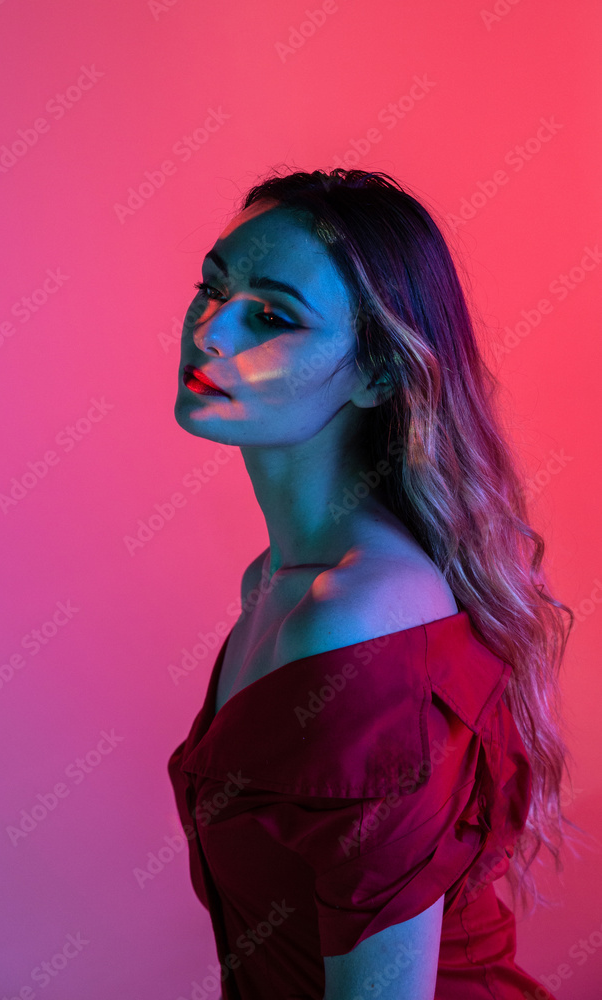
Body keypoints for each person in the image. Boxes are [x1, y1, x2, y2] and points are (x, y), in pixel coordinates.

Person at [168, 168, 580, 999]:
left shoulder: (359, 614)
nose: (211, 331)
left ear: (376, 375)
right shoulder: (275, 584)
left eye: (272, 317)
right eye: (211, 288)